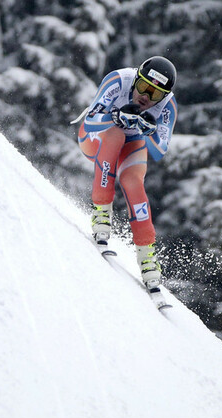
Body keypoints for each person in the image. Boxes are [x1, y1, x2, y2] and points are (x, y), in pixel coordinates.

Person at [76, 56, 178, 291]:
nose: (146, 97)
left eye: (155, 94)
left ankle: (147, 255)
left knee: (133, 182)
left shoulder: (168, 106)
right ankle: (101, 213)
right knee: (116, 135)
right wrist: (115, 117)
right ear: (136, 80)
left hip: (132, 143)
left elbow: (159, 150)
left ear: (164, 96)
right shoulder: (119, 80)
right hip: (97, 137)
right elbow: (90, 120)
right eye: (143, 87)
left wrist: (150, 131)